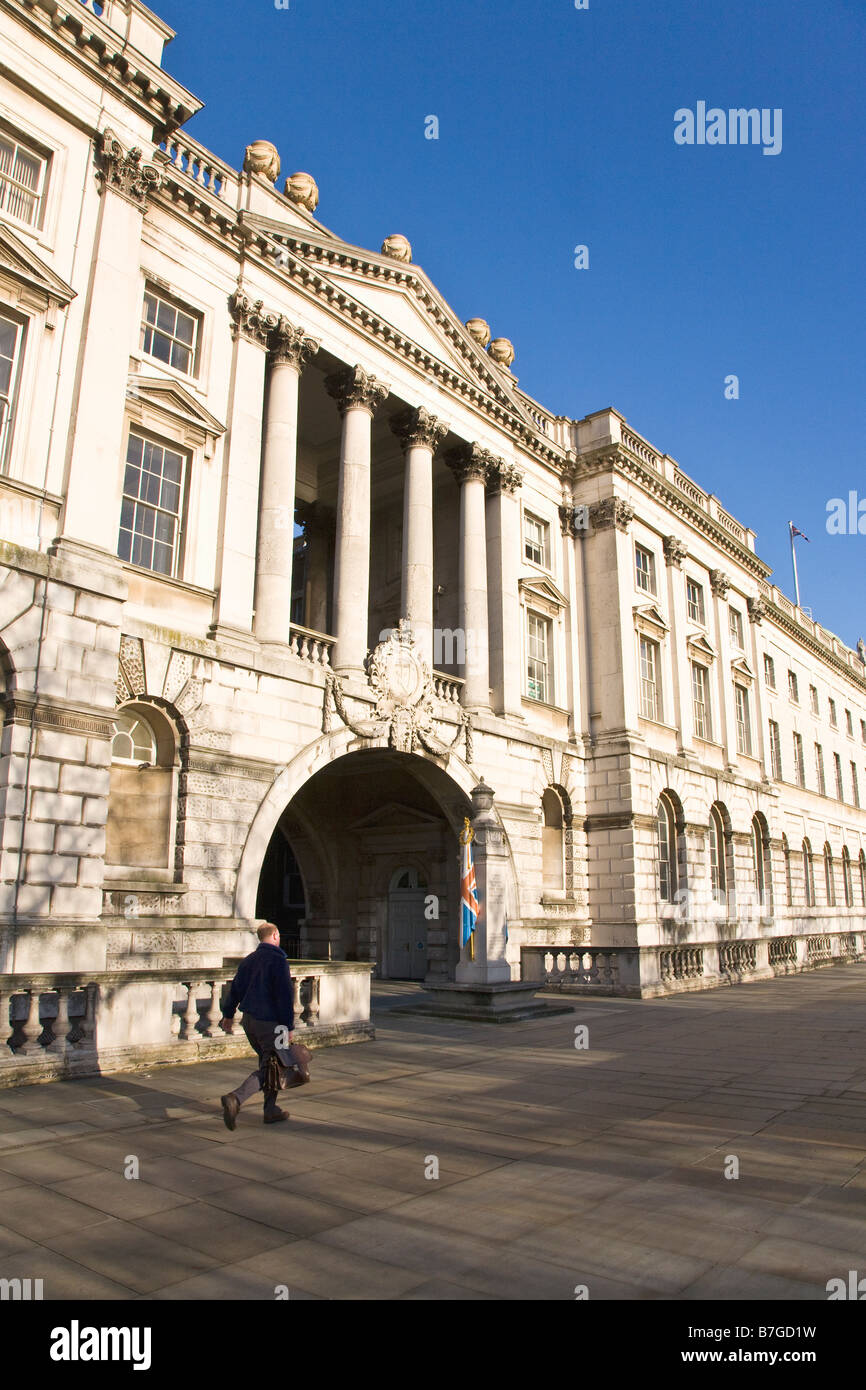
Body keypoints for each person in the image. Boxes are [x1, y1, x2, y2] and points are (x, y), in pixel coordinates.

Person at [219, 921, 294, 1127]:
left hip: (249, 1021)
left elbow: (235, 989)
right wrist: (288, 1026)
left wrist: (228, 1014)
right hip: (270, 1022)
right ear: (276, 935)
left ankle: (270, 1110)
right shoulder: (278, 961)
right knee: (274, 1066)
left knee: (269, 1063)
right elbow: (284, 997)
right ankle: (236, 1098)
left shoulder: (249, 960)